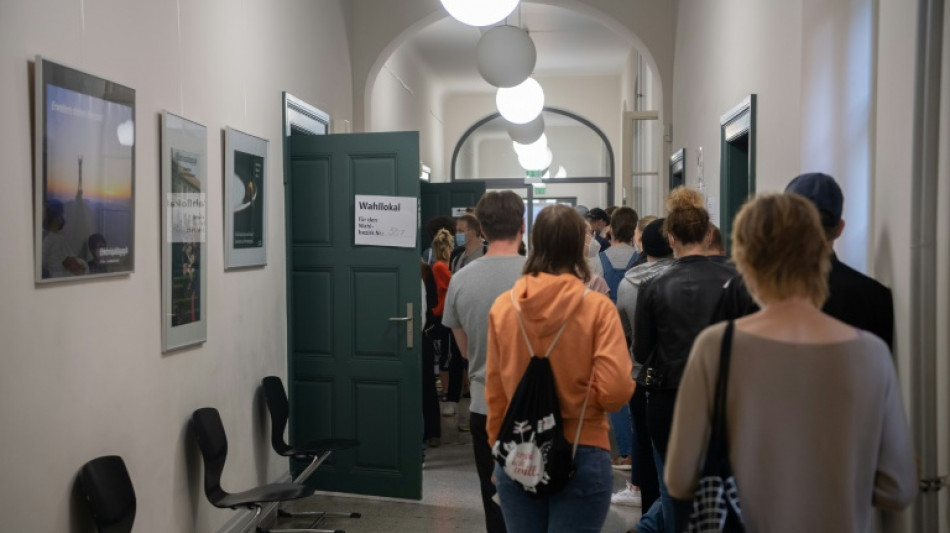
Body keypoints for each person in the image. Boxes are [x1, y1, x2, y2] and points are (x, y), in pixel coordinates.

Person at [666, 193, 917, 531]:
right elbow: (898, 488)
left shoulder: (716, 348)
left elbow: (680, 479)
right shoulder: (871, 353)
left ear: (746, 260)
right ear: (820, 256)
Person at [486, 204, 635, 533]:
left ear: (536, 242)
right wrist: (581, 397)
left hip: (519, 452)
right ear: (579, 245)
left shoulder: (504, 307)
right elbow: (615, 393)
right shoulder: (597, 308)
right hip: (582, 449)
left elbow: (495, 393)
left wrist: (499, 451)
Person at [631, 187, 736, 533]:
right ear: (708, 235)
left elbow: (642, 351)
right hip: (721, 399)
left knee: (672, 489)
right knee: (723, 487)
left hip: (668, 398)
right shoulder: (734, 282)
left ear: (670, 238)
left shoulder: (653, 286)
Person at [713, 172, 895, 350]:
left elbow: (717, 358)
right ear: (840, 228)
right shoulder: (875, 299)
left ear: (782, 225)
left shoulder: (744, 289)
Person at [442, 190, 527, 533]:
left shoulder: (461, 280)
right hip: (538, 404)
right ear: (522, 226)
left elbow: (464, 352)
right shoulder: (543, 277)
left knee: (494, 496)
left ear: (482, 230)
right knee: (538, 495)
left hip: (484, 402)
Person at [611, 217, 674, 509]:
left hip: (639, 373)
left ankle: (648, 506)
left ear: (642, 244)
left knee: (643, 440)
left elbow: (622, 332)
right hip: (676, 375)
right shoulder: (681, 276)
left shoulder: (629, 283)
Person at [420, 259, 442, 449]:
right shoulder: (425, 270)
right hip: (419, 334)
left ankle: (430, 432)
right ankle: (429, 431)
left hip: (420, 335)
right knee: (425, 386)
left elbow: (434, 303)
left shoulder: (425, 271)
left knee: (426, 385)